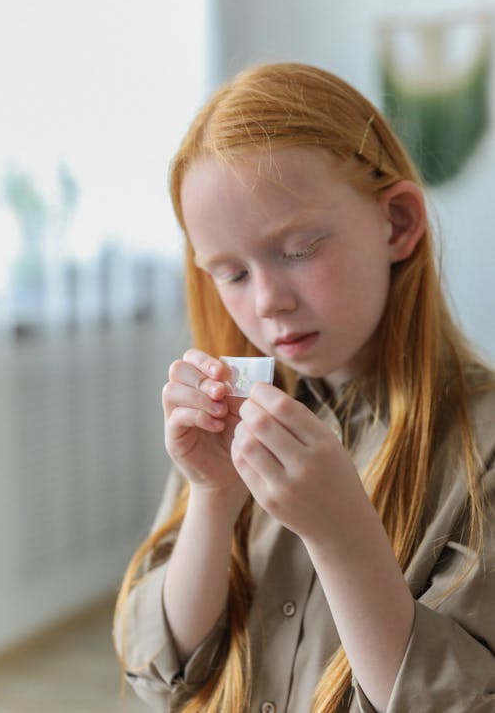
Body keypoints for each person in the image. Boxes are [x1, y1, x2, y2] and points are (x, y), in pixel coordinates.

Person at [113, 62, 495, 712]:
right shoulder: (230, 413)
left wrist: (343, 538)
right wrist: (211, 498)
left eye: (298, 249)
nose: (268, 303)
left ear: (398, 224)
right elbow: (156, 675)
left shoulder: (480, 444)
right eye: (230, 274)